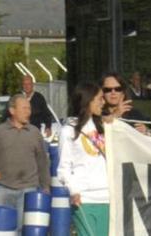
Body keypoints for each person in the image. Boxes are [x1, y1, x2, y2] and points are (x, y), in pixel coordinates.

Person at [0, 93, 50, 229]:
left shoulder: (34, 133)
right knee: (2, 230)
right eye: (24, 108)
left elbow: (42, 161)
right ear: (12, 111)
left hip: (28, 189)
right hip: (2, 189)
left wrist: (45, 186)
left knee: (23, 229)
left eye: (29, 108)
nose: (28, 112)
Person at [58, 83, 109, 236]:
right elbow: (63, 168)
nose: (104, 102)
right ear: (88, 101)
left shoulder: (103, 127)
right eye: (100, 98)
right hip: (84, 199)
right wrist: (74, 191)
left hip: (108, 198)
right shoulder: (68, 131)